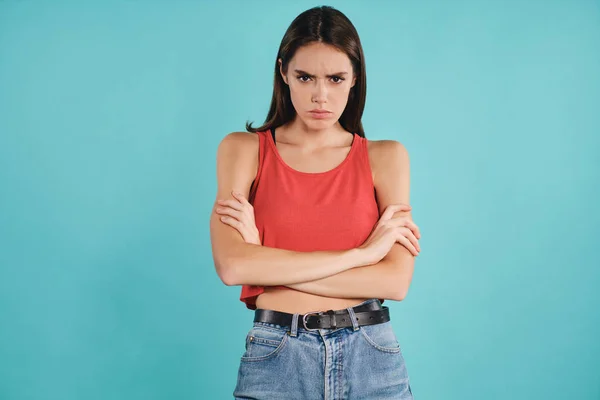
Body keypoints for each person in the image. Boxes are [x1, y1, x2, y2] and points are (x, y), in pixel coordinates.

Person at [209, 5, 421, 399]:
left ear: (355, 78)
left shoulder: (386, 157)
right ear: (283, 72)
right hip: (277, 355)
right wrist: (363, 254)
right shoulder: (244, 150)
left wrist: (266, 261)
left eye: (336, 78)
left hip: (371, 354)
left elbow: (394, 281)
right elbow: (232, 266)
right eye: (305, 77)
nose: (320, 95)